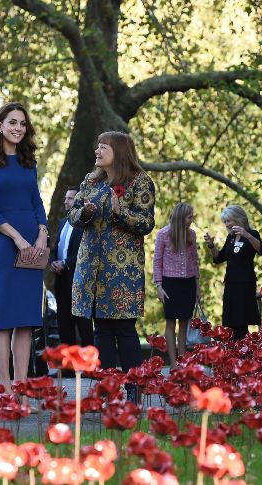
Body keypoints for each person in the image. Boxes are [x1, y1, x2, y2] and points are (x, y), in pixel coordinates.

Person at [67, 131, 156, 403]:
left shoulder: (140, 182)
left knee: (124, 330)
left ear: (118, 150)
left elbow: (146, 223)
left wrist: (120, 212)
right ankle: (107, 389)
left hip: (122, 272)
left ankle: (134, 389)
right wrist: (85, 212)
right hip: (91, 267)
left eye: (103, 146)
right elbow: (73, 217)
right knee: (100, 331)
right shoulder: (90, 181)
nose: (97, 151)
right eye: (97, 146)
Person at [0, 102, 48, 400]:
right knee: (4, 320)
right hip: (6, 244)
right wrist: (17, 237)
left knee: (27, 320)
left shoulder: (29, 162)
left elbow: (37, 203)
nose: (18, 128)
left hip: (34, 244)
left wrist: (42, 234)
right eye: (12, 122)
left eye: (22, 124)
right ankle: (5, 388)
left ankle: (21, 384)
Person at [203, 205, 262, 341]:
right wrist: (211, 245)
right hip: (231, 284)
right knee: (232, 323)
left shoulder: (252, 234)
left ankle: (244, 353)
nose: (227, 224)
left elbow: (261, 250)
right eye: (225, 222)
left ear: (239, 219)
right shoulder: (230, 238)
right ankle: (234, 354)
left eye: (229, 221)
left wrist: (247, 235)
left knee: (242, 322)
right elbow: (219, 258)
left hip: (245, 284)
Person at [153, 202, 200, 369]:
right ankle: (173, 364)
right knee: (170, 323)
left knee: (184, 324)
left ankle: (182, 361)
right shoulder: (163, 234)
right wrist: (159, 286)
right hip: (170, 284)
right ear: (181, 218)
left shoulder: (191, 235)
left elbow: (195, 261)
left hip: (188, 283)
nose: (192, 220)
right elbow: (157, 261)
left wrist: (197, 287)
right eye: (189, 217)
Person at [49, 185, 93, 346]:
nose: (65, 201)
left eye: (70, 198)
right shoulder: (62, 222)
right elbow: (57, 246)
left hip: (78, 280)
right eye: (65, 198)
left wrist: (66, 263)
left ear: (79, 200)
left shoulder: (85, 224)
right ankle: (67, 367)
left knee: (83, 324)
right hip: (61, 280)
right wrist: (53, 261)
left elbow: (86, 252)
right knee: (64, 323)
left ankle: (90, 367)